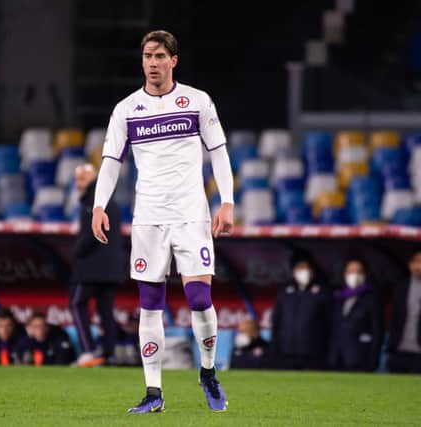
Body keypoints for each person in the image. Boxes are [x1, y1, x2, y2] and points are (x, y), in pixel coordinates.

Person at [91, 30, 234, 413]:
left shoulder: (197, 101)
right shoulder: (126, 109)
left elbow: (219, 153)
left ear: (174, 60)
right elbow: (110, 162)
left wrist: (228, 202)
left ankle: (207, 372)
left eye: (159, 56)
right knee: (149, 303)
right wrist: (98, 205)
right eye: (147, 56)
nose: (152, 63)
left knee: (199, 297)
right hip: (149, 217)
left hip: (191, 213)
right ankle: (154, 393)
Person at [70, 163, 123, 367]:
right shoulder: (112, 200)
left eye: (82, 178)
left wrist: (76, 252)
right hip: (110, 269)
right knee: (105, 310)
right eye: (77, 179)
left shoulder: (94, 201)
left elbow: (92, 234)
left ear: (93, 178)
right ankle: (108, 353)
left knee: (77, 303)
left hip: (91, 268)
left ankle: (88, 350)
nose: (78, 183)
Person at [269, 253, 333, 370]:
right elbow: (276, 321)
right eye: (300, 268)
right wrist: (275, 347)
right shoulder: (285, 292)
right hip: (286, 351)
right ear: (293, 271)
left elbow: (330, 324)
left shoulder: (323, 292)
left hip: (313, 353)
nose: (304, 271)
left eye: (307, 267)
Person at [328, 258, 383, 371]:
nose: (354, 275)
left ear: (365, 274)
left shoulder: (372, 298)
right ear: (344, 274)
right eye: (350, 271)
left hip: (360, 357)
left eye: (358, 271)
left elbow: (377, 331)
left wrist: (373, 359)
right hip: (337, 357)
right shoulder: (339, 297)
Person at [387, 250, 421, 373]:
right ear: (410, 264)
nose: (418, 266)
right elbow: (393, 318)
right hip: (399, 349)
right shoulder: (401, 287)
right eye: (416, 262)